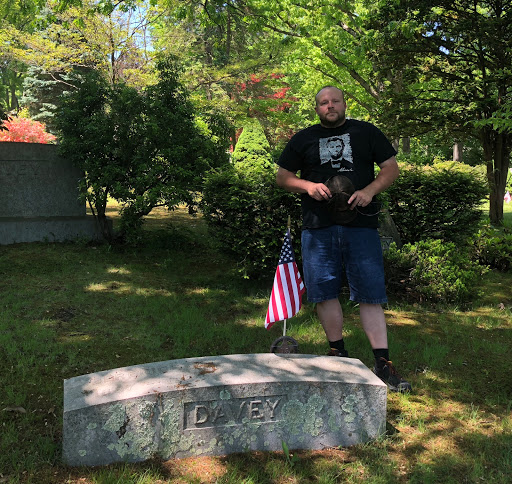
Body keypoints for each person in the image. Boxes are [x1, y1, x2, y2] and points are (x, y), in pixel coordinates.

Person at [276, 86, 411, 393]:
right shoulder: (303, 138)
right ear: (317, 108)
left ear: (344, 104)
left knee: (371, 293)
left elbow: (391, 168)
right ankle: (338, 355)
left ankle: (383, 364)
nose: (330, 105)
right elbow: (282, 177)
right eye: (323, 102)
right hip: (317, 228)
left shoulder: (366, 133)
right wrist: (308, 186)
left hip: (360, 226)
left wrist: (369, 191)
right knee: (324, 292)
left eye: (335, 100)